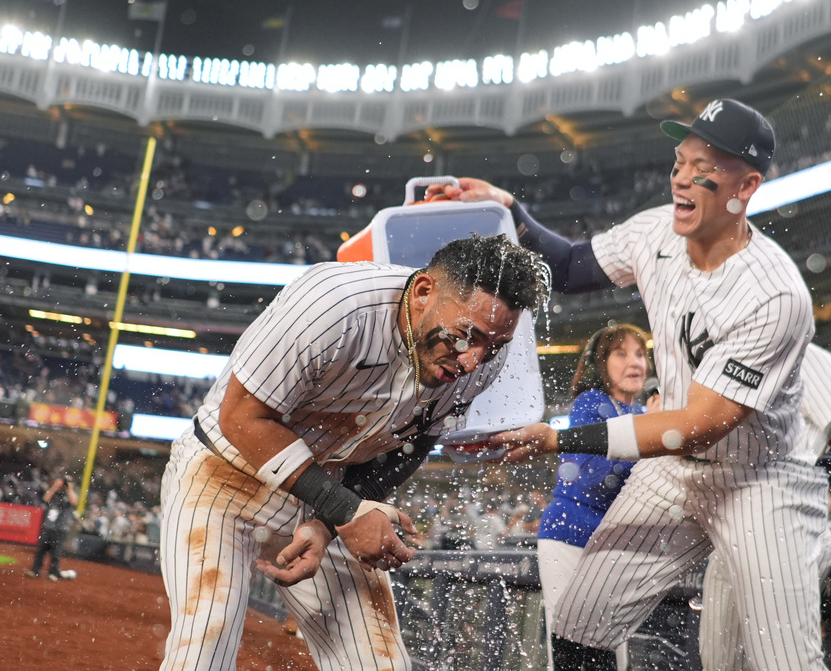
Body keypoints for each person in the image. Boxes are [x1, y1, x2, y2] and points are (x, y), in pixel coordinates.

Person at [432, 98, 831, 670]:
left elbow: (695, 427)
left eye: (705, 168)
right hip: (673, 474)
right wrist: (509, 207)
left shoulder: (775, 294)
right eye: (680, 161)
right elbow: (570, 267)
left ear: (746, 186)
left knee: (783, 663)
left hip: (759, 481)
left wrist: (557, 437)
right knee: (579, 626)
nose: (682, 179)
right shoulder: (655, 232)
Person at [158, 234, 549, 671]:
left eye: (493, 346)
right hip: (224, 474)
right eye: (466, 336)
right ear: (423, 292)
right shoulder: (333, 305)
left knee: (380, 665)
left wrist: (328, 522)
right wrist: (343, 510)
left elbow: (413, 443)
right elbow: (242, 417)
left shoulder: (483, 356)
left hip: (329, 492)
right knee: (205, 650)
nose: (475, 361)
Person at [699, 342, 831, 670]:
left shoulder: (799, 353)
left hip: (786, 534)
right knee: (721, 663)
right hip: (733, 536)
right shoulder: (728, 363)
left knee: (786, 664)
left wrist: (813, 479)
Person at [536, 323, 652, 670]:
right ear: (602, 364)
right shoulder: (591, 403)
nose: (634, 362)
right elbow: (593, 478)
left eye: (640, 354)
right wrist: (651, 448)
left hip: (612, 544)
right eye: (621, 353)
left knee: (612, 649)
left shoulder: (642, 414)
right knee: (574, 644)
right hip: (569, 536)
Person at [26, 474, 78, 581]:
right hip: (48, 526)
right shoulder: (54, 492)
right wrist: (55, 486)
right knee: (41, 550)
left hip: (60, 529)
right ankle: (35, 570)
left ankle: (53, 572)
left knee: (56, 553)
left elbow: (74, 501)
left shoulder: (70, 495)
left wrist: (69, 489)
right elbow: (45, 498)